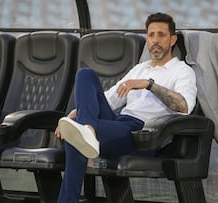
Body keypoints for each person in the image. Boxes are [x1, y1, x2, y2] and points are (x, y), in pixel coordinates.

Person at [54, 12, 197, 202]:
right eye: (151, 35)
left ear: (172, 39)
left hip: (143, 134)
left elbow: (184, 106)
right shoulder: (140, 68)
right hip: (118, 123)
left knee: (76, 135)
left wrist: (149, 84)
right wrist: (74, 114)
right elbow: (109, 99)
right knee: (85, 74)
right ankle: (87, 129)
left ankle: (86, 133)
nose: (155, 40)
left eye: (161, 35)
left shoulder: (182, 71)